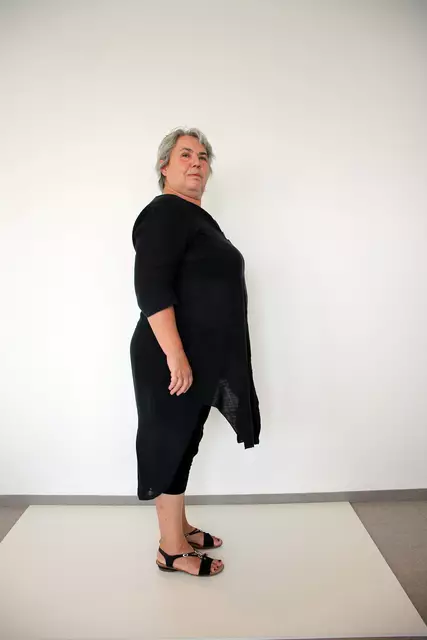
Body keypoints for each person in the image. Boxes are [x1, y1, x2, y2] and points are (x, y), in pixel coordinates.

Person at [130, 127, 260, 577]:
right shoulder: (164, 212)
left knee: (185, 441)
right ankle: (170, 549)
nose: (197, 163)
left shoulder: (195, 218)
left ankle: (179, 527)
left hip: (192, 356)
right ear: (164, 167)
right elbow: (151, 289)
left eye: (203, 157)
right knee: (169, 442)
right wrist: (175, 355)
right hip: (169, 355)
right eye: (185, 154)